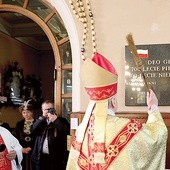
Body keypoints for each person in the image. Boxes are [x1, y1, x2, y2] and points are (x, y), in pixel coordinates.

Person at [66, 52, 168, 170]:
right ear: (113, 102)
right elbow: (157, 135)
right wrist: (153, 107)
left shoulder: (80, 132)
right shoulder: (128, 128)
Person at [31, 100, 70, 170]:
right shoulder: (39, 121)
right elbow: (32, 131)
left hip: (56, 159)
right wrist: (43, 118)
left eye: (50, 109)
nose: (48, 111)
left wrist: (55, 120)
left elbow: (67, 131)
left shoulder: (61, 120)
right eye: (45, 109)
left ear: (54, 109)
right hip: (40, 158)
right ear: (42, 110)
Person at [13, 99, 35, 170]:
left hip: (34, 150)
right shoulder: (19, 124)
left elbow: (39, 137)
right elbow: (15, 138)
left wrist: (31, 147)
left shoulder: (37, 123)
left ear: (32, 112)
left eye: (28, 112)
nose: (26, 114)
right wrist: (21, 149)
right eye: (24, 112)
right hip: (21, 150)